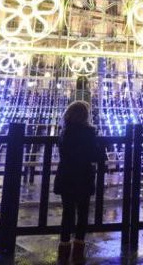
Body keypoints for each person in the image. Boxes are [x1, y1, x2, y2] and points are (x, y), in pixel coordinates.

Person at [51, 100, 101, 257]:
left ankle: (64, 245)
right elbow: (95, 155)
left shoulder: (65, 132)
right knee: (83, 211)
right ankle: (79, 245)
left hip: (67, 174)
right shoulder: (89, 133)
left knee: (68, 212)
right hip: (84, 175)